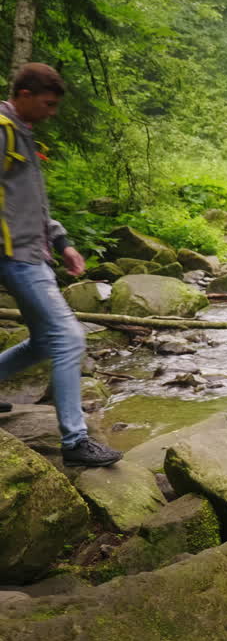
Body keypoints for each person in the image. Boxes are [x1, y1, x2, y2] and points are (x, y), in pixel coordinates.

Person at [0, 62, 121, 467]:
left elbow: (30, 200)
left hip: (31, 252)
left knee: (43, 342)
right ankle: (74, 441)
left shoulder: (21, 133)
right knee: (69, 338)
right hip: (14, 256)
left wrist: (62, 241)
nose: (52, 113)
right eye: (48, 104)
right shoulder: (2, 131)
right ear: (25, 95)